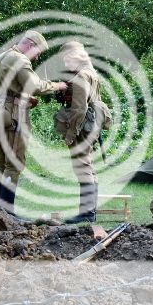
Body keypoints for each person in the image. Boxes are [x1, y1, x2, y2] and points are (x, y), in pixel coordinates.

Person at [0, 30, 66, 214]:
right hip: (12, 117)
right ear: (30, 45)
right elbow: (36, 85)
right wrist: (57, 86)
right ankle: (6, 213)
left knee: (2, 164)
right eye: (38, 52)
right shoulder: (20, 60)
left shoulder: (3, 56)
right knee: (14, 165)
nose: (37, 57)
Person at [54, 41, 106, 224]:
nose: (66, 64)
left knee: (82, 167)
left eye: (67, 60)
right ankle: (89, 211)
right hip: (89, 125)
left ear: (75, 56)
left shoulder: (81, 76)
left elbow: (79, 109)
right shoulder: (91, 73)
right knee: (88, 166)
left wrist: (70, 134)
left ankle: (86, 213)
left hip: (81, 126)